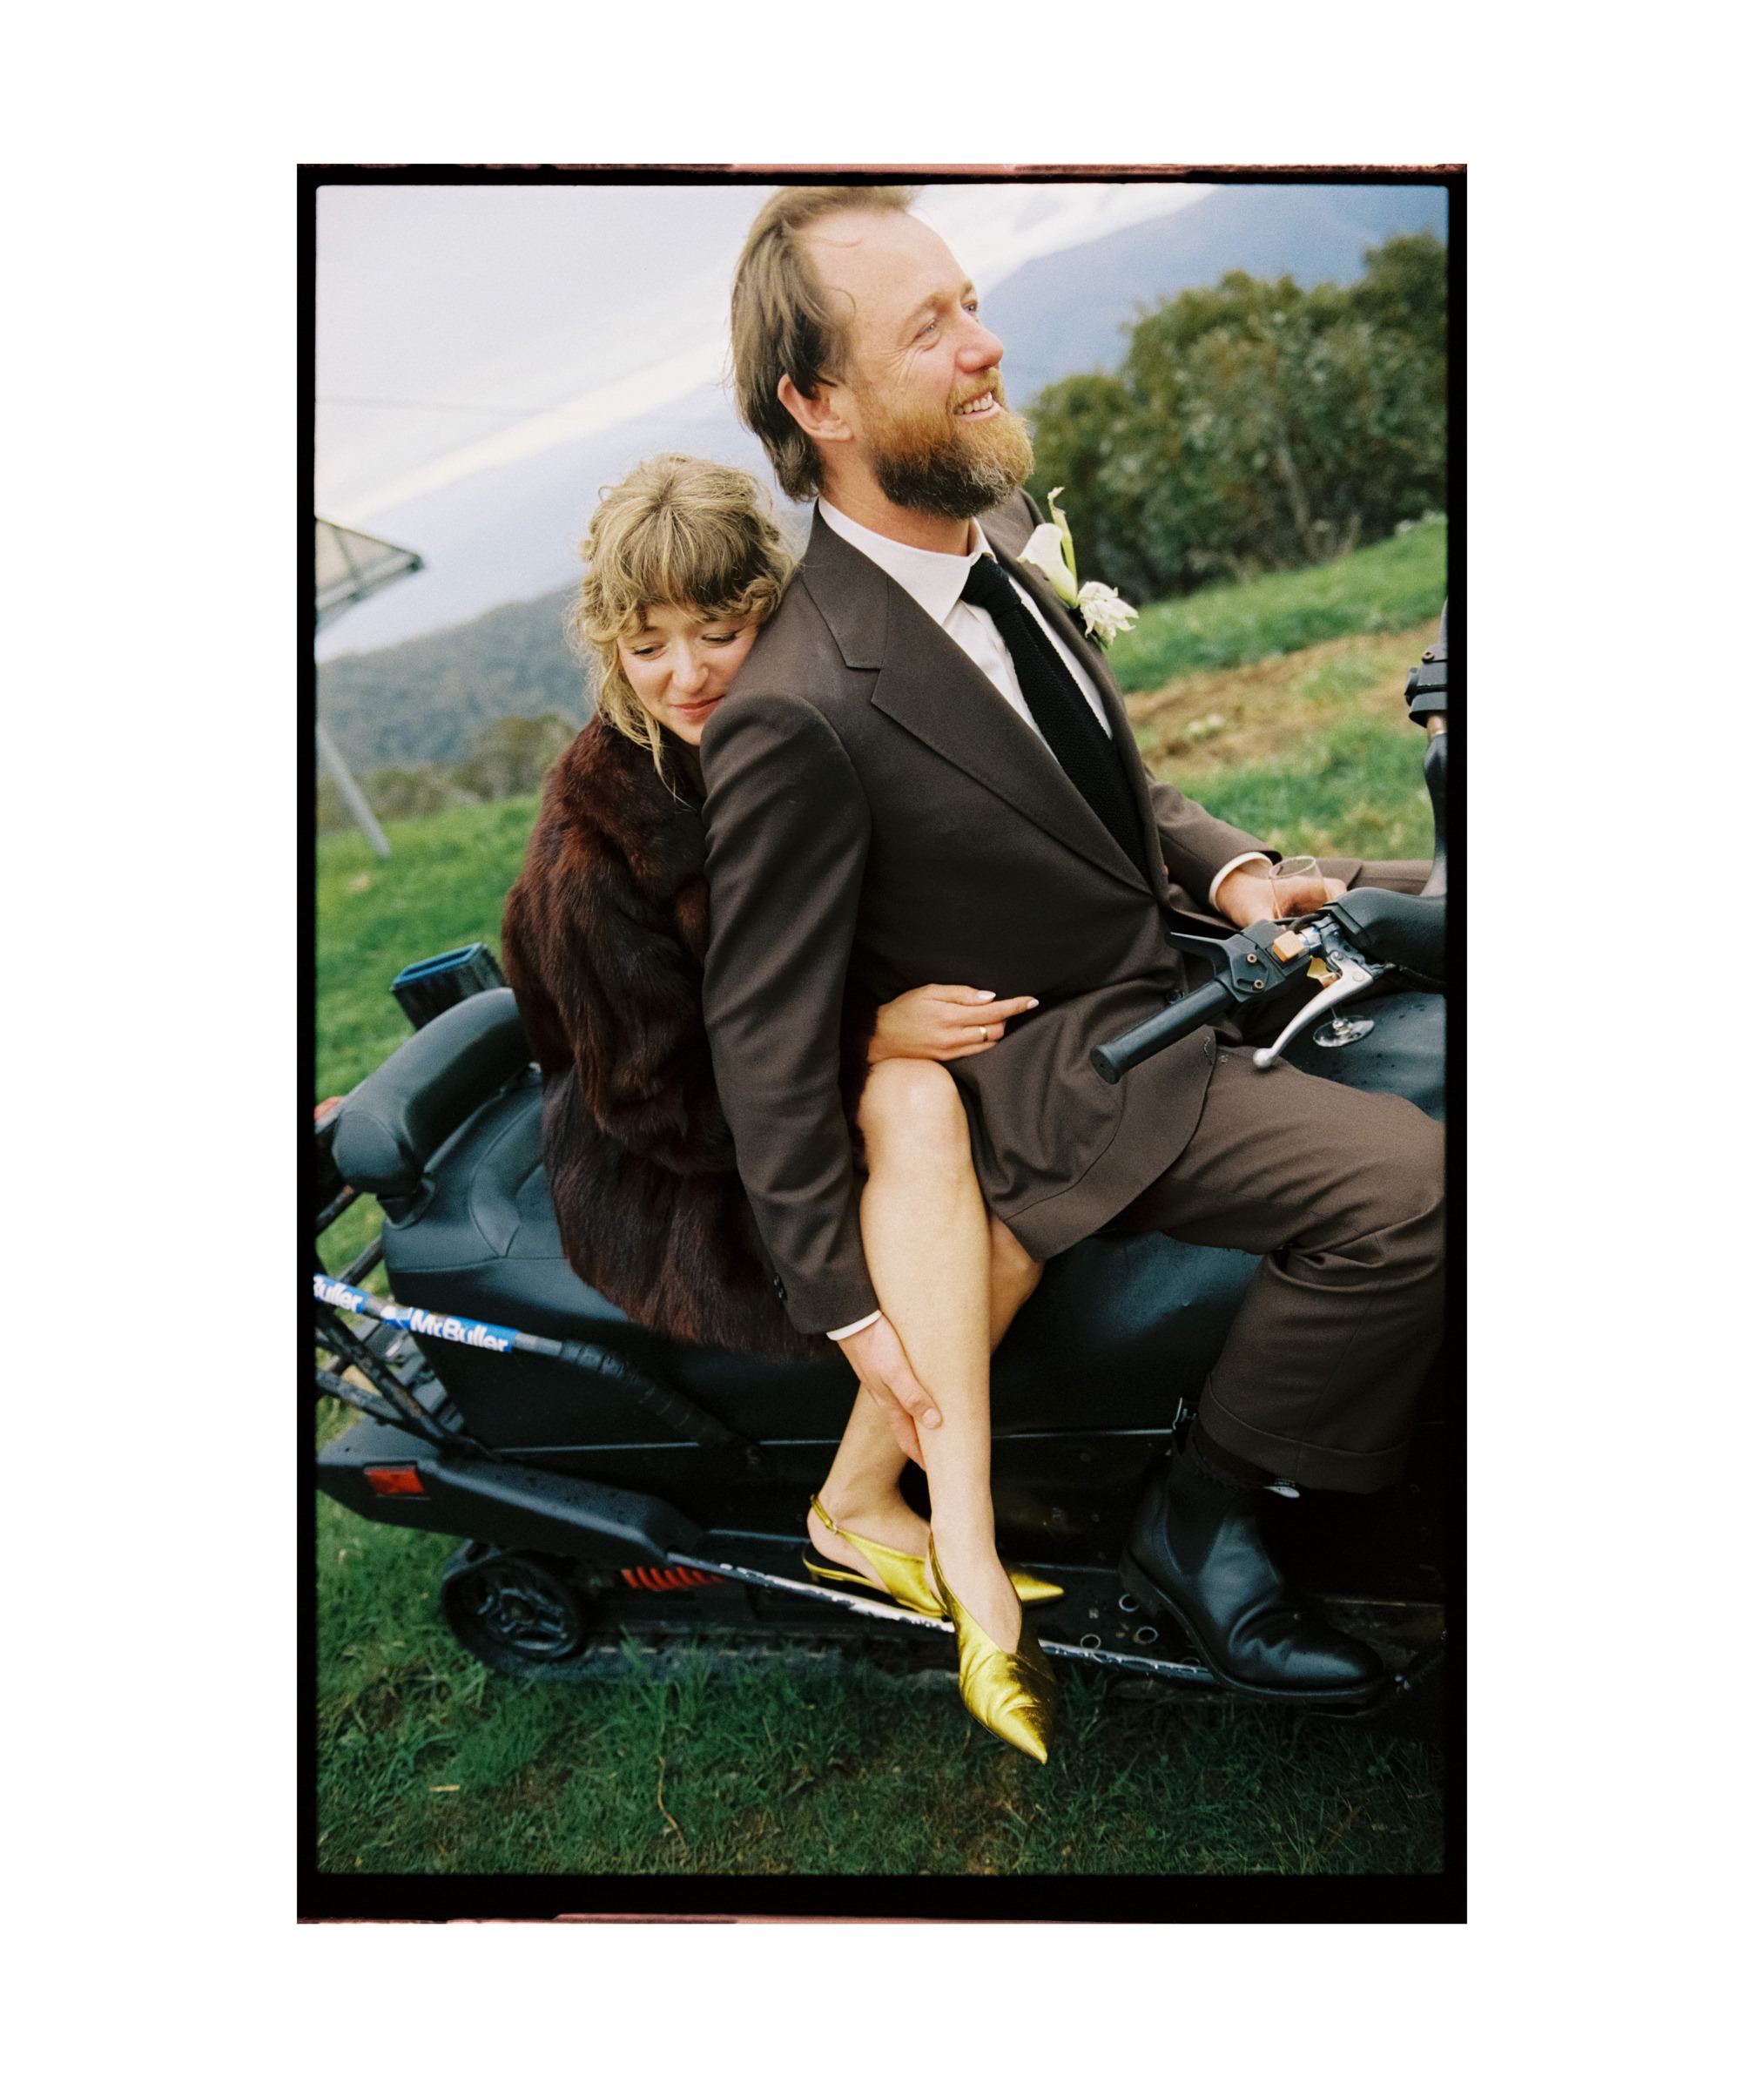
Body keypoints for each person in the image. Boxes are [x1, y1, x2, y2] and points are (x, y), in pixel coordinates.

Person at [699, 185, 1445, 1713]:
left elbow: (1102, 784)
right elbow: (759, 1032)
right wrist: (857, 1316)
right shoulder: (796, 709)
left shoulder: (996, 535)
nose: (985, 347)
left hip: (1185, 953)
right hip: (1067, 1071)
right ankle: (1206, 1515)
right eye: (931, 327)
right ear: (817, 401)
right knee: (1406, 1190)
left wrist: (1234, 874)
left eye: (969, 302)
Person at [501, 454, 1061, 1761]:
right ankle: (902, 1525)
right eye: (646, 647)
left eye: (719, 629)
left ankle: (882, 1500)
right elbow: (658, 1098)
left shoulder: (808, 720)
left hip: (805, 1084)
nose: (687, 673)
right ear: (608, 648)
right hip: (675, 1152)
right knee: (970, 1207)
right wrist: (864, 1035)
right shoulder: (595, 849)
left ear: (773, 607)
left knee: (986, 1148)